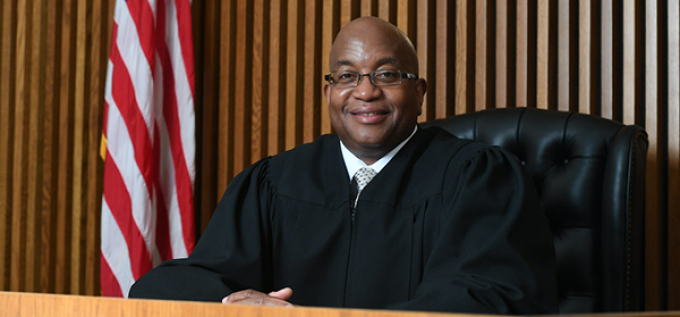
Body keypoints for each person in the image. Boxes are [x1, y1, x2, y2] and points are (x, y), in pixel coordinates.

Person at [129, 16, 558, 314]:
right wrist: (233, 305)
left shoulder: (477, 178)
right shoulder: (275, 183)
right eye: (347, 76)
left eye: (387, 75)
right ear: (328, 91)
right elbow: (166, 286)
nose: (365, 92)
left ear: (420, 91)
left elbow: (492, 299)